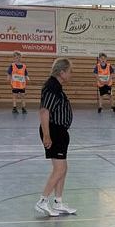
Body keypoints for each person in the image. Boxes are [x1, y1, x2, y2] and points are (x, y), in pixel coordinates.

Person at [35, 58, 77, 217]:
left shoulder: (57, 86)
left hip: (59, 131)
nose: (71, 74)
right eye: (70, 71)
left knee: (63, 168)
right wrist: (47, 135)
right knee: (59, 169)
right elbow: (44, 111)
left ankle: (58, 202)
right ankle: (42, 201)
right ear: (62, 72)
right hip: (54, 131)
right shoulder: (52, 87)